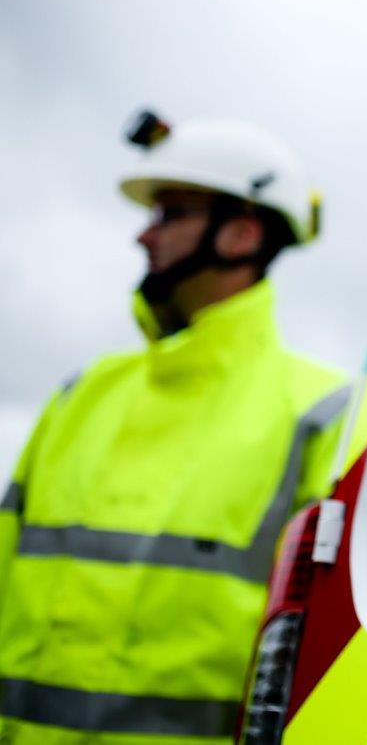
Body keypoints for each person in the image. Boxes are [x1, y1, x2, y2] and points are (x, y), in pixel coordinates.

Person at [0, 112, 349, 743]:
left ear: (241, 234)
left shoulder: (320, 413)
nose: (144, 236)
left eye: (170, 215)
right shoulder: (81, 396)